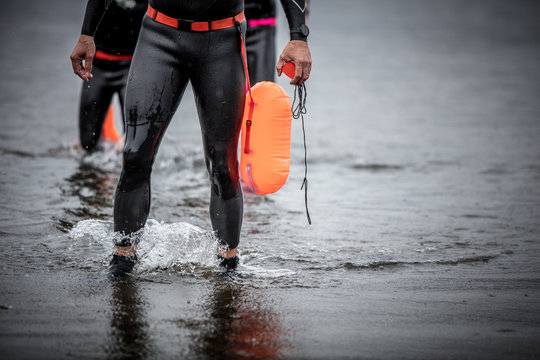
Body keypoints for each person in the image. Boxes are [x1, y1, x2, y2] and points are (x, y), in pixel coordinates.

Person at [70, 0, 312, 277]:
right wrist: (87, 33)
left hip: (222, 41)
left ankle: (228, 265)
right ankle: (123, 261)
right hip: (158, 35)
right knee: (135, 153)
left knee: (223, 165)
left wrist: (298, 37)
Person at [78, 0, 147, 153]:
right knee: (87, 144)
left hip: (134, 65)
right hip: (99, 66)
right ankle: (98, 173)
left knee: (134, 146)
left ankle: (118, 168)